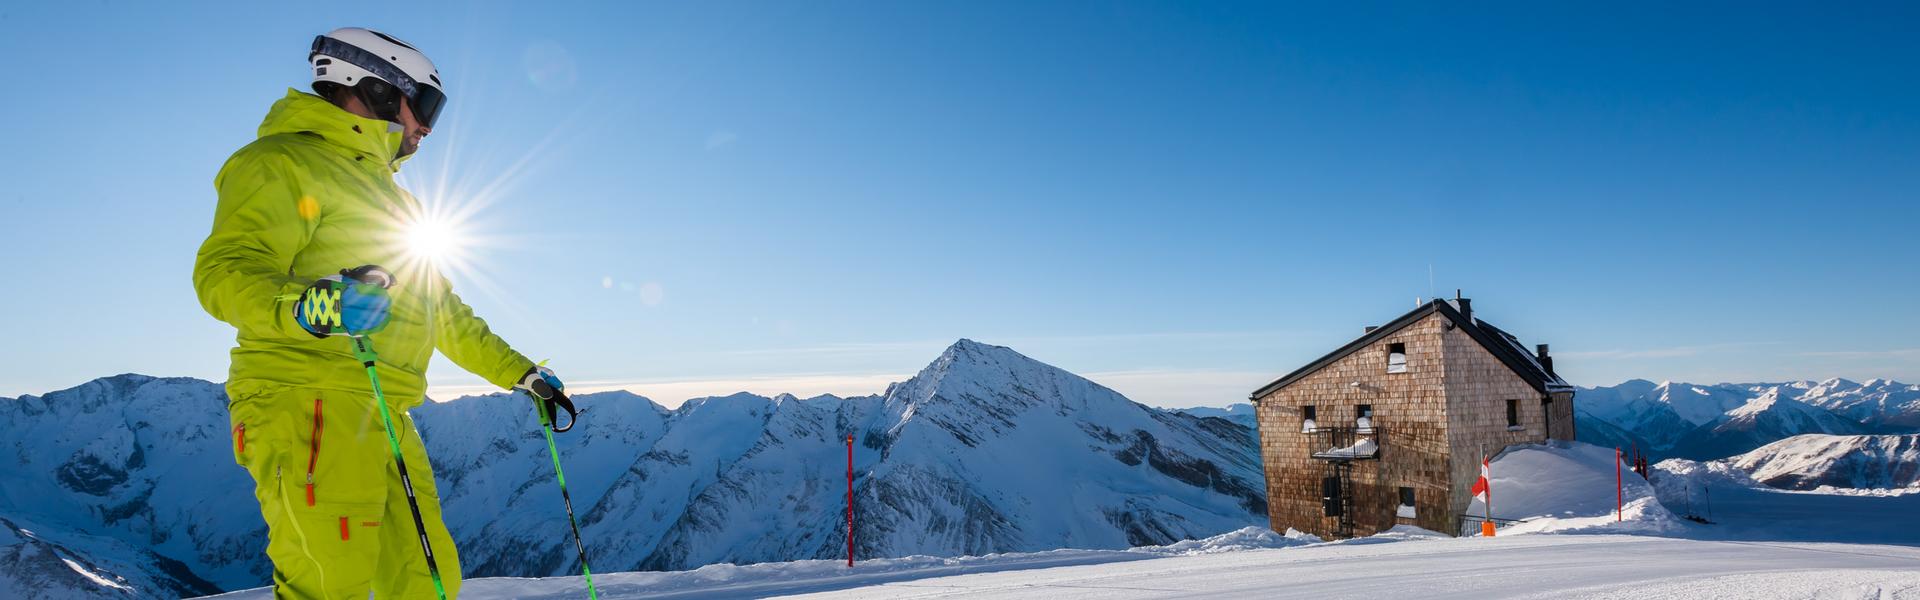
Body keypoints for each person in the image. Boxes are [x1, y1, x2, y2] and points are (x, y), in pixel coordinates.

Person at [193, 27, 576, 599]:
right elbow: (224, 271)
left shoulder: (395, 199)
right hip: (306, 400)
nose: (426, 127)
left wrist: (521, 374)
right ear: (372, 90)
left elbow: (441, 311)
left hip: (384, 408)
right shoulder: (280, 163)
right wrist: (310, 305)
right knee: (331, 583)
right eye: (425, 105)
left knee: (426, 579)